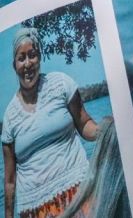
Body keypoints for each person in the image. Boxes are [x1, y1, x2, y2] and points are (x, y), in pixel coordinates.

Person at [2, 28, 98, 218]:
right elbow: (10, 181)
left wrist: (105, 129)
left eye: (32, 55)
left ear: (39, 57)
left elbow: (84, 124)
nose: (27, 63)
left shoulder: (61, 84)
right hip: (36, 209)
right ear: (14, 65)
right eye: (21, 58)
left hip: (78, 191)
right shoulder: (9, 118)